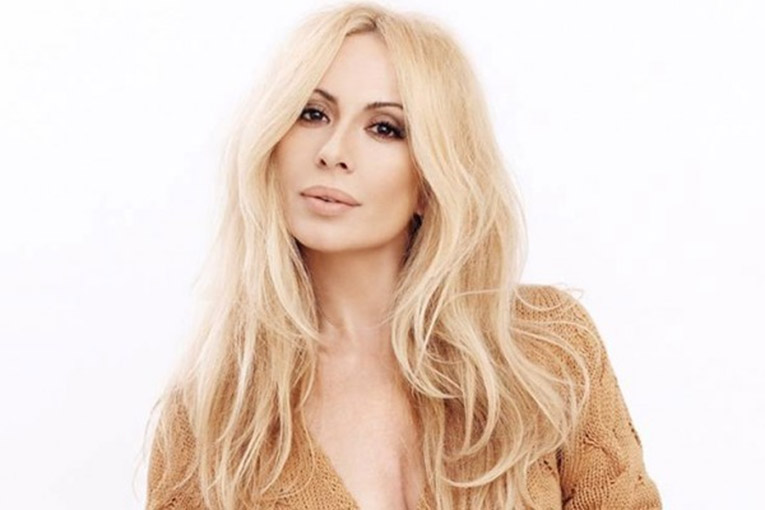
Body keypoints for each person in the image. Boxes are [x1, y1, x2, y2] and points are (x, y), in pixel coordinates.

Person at [143, 2, 662, 509]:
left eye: (385, 128)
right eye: (313, 113)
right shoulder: (214, 417)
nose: (332, 151)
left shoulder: (546, 348)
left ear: (430, 182)